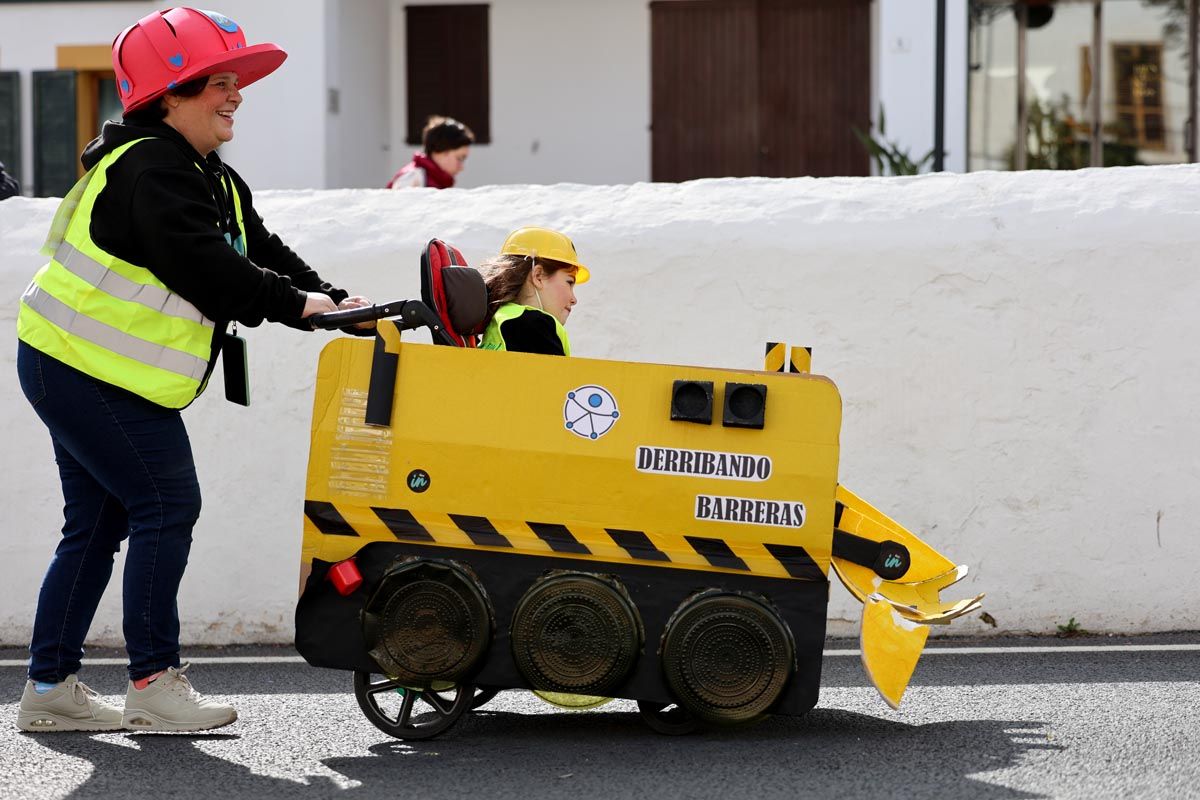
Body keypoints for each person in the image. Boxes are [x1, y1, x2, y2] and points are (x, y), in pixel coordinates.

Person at [14, 7, 371, 733]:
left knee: (96, 524)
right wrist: (297, 306)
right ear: (167, 92)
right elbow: (211, 269)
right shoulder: (151, 170)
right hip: (84, 372)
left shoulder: (199, 168)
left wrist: (330, 300)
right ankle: (152, 683)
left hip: (82, 367)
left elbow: (254, 243)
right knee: (165, 505)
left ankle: (50, 690)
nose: (236, 92)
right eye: (219, 80)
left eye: (237, 79)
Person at [478, 227, 589, 356]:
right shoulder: (537, 325)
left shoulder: (496, 322)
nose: (574, 299)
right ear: (538, 276)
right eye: (569, 282)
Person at [386, 116, 474, 189]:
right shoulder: (413, 178)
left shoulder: (437, 181)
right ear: (441, 151)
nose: (461, 167)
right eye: (460, 158)